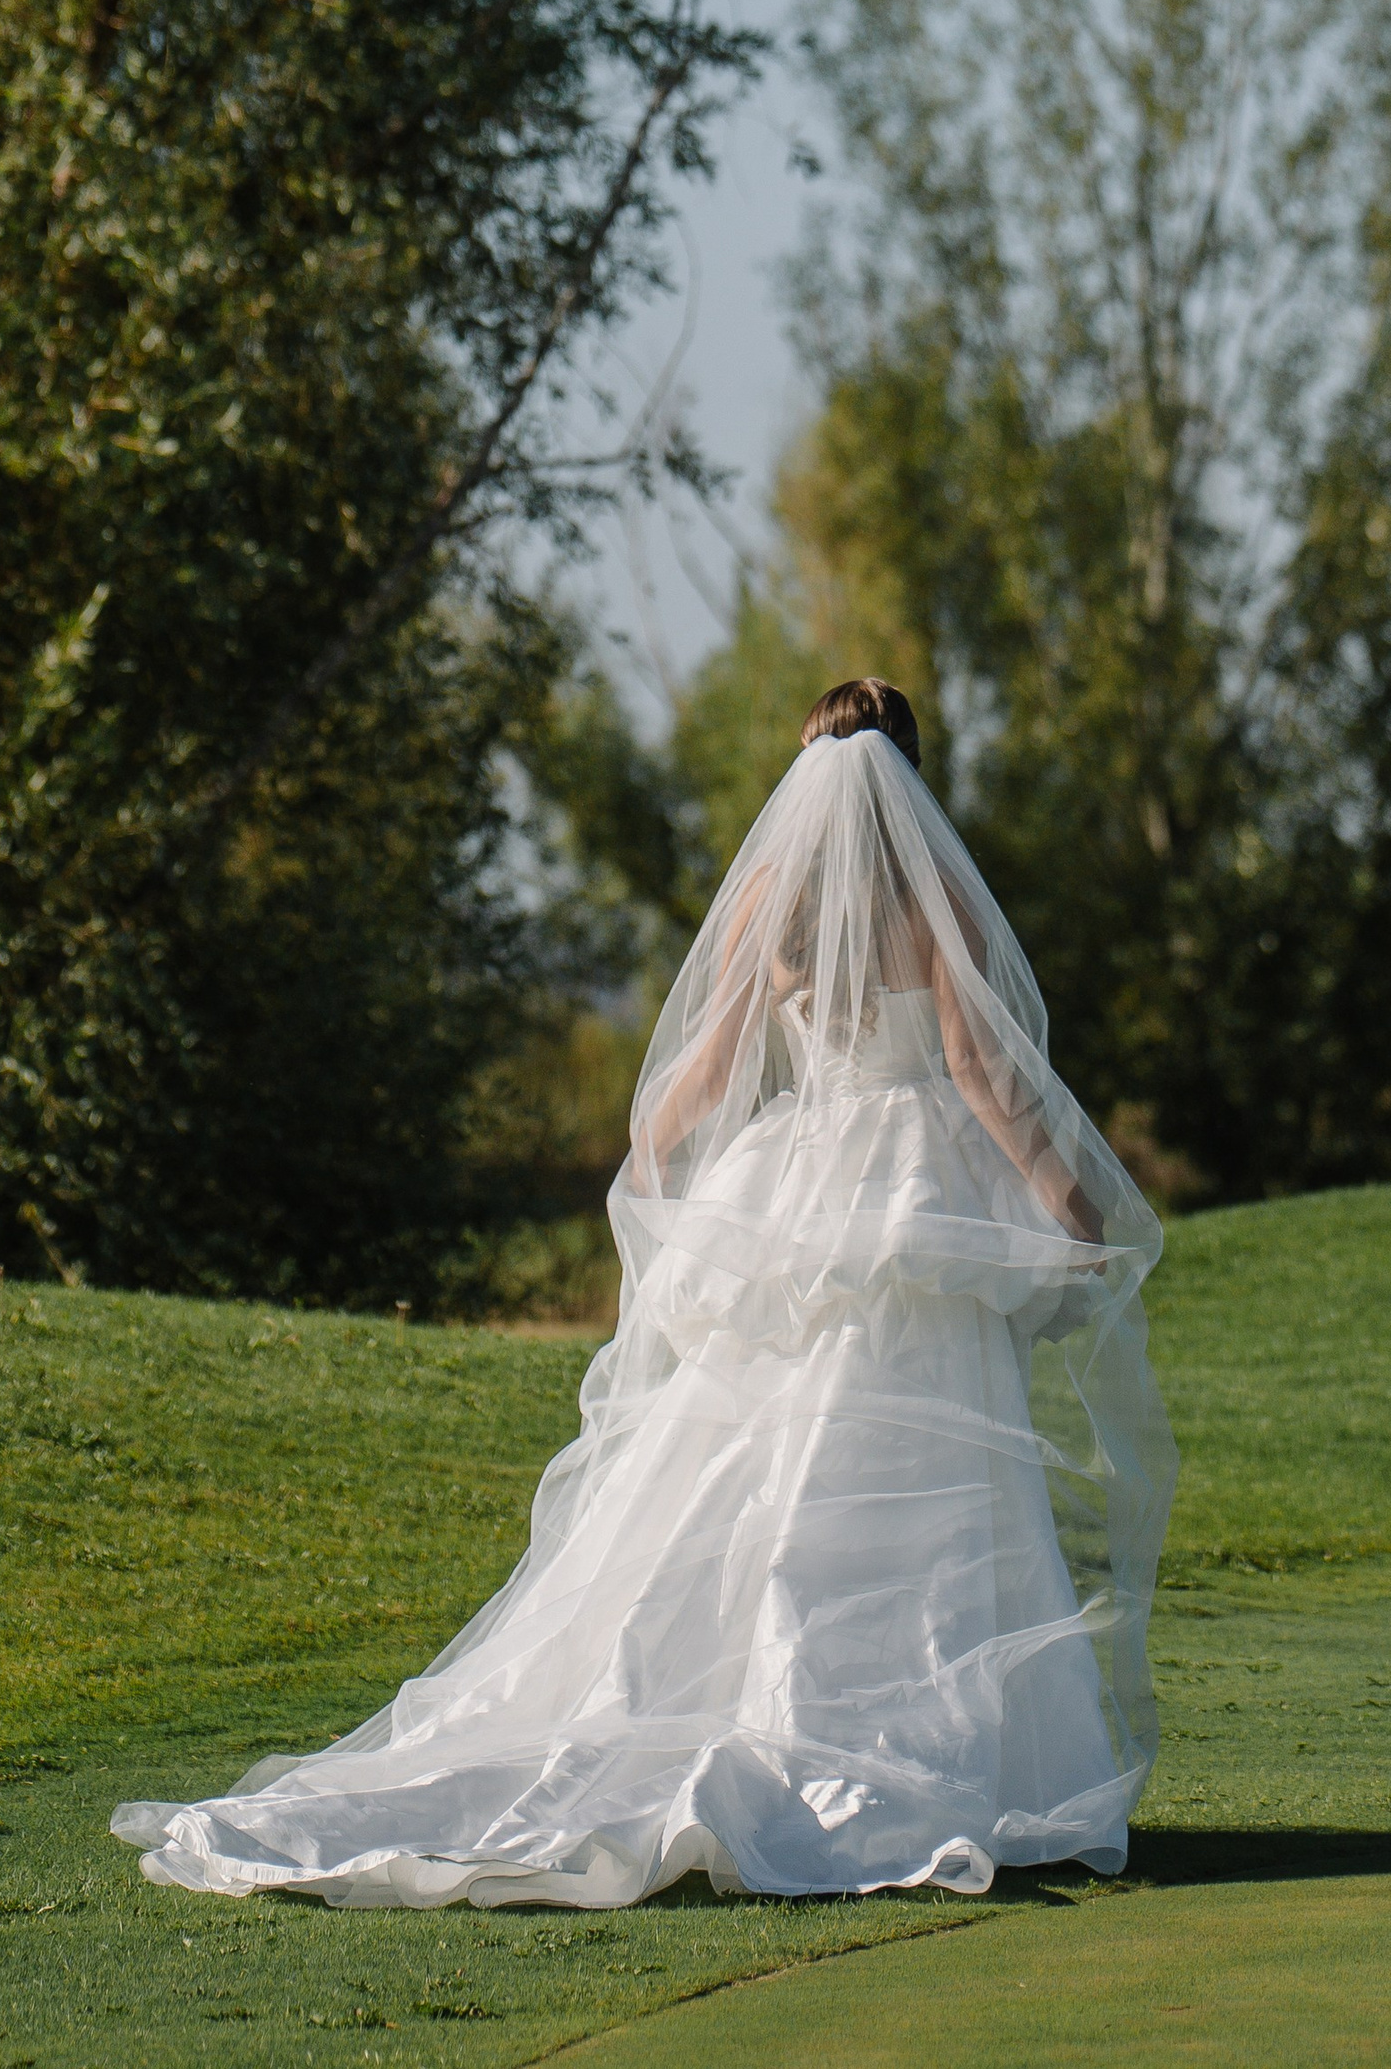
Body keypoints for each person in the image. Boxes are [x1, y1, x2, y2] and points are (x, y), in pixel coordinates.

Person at [114, 679, 1175, 1908]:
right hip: (908, 1186)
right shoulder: (935, 906)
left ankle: (788, 1731)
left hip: (798, 1174)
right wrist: (1079, 1211)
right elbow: (987, 1071)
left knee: (763, 1465)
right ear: (914, 778)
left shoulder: (770, 912)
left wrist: (666, 1185)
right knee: (914, 1467)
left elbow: (698, 1074)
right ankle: (921, 1762)